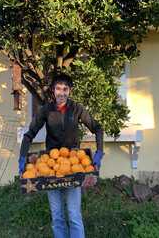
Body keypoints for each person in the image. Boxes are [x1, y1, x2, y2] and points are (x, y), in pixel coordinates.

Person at [18, 73, 104, 238]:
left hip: (74, 166)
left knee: (73, 214)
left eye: (65, 89)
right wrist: (22, 157)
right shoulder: (46, 110)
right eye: (58, 88)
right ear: (53, 90)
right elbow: (29, 134)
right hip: (51, 167)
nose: (62, 93)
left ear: (69, 91)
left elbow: (97, 127)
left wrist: (100, 151)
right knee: (57, 215)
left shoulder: (77, 109)